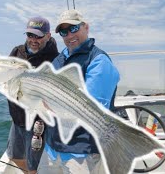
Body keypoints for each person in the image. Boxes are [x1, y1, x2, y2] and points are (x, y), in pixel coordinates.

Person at [37, 9, 120, 174]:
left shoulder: (99, 60)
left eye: (73, 28)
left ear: (86, 27)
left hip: (83, 152)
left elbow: (91, 108)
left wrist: (48, 100)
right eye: (63, 32)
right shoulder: (59, 59)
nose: (69, 35)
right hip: (52, 148)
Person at [7, 16, 59, 173]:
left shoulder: (55, 59)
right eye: (30, 35)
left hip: (37, 122)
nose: (33, 40)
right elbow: (5, 73)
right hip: (17, 119)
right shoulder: (17, 51)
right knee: (14, 156)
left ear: (48, 36)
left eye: (39, 36)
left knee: (33, 165)